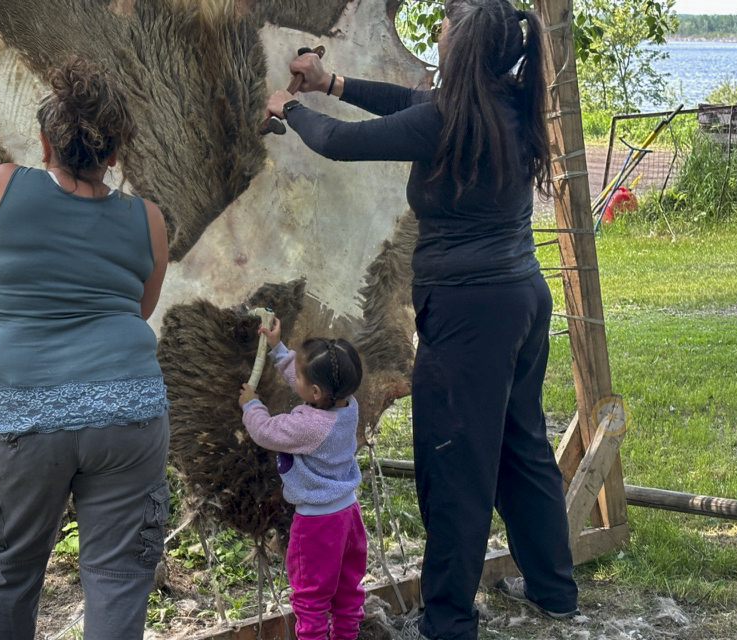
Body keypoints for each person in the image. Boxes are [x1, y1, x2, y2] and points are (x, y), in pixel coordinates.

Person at [263, 1, 579, 638]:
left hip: (468, 317)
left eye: (442, 34)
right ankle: (553, 590)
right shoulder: (510, 100)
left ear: (460, 51)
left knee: (454, 465)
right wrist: (333, 84)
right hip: (520, 297)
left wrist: (288, 108)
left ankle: (449, 621)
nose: (435, 38)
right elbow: (406, 106)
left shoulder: (448, 120)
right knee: (521, 445)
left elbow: (342, 142)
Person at [0, 56, 170, 640]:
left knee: (11, 571)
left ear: (44, 141)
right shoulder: (147, 219)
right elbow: (139, 310)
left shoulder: (1, 185)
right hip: (129, 410)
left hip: (26, 417)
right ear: (115, 153)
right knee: (120, 576)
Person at [238, 319, 366, 640]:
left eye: (298, 374)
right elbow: (308, 383)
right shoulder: (348, 404)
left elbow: (265, 431)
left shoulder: (308, 426)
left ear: (316, 392)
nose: (293, 376)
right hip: (349, 516)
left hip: (317, 526)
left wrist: (251, 404)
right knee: (348, 591)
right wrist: (278, 349)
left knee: (310, 600)